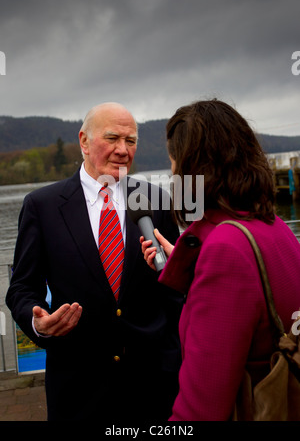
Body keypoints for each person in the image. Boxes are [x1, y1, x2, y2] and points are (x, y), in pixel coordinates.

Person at [6, 102, 183, 421]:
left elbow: (173, 291)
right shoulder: (42, 206)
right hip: (78, 390)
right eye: (112, 138)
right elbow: (21, 288)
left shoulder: (156, 200)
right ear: (84, 141)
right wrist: (39, 324)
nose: (122, 150)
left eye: (130, 141)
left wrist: (175, 358)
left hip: (153, 386)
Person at [141, 99, 300, 421]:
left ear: (191, 170)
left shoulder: (225, 251)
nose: (172, 174)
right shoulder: (275, 227)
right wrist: (194, 268)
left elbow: (201, 409)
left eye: (174, 164)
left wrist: (210, 265)